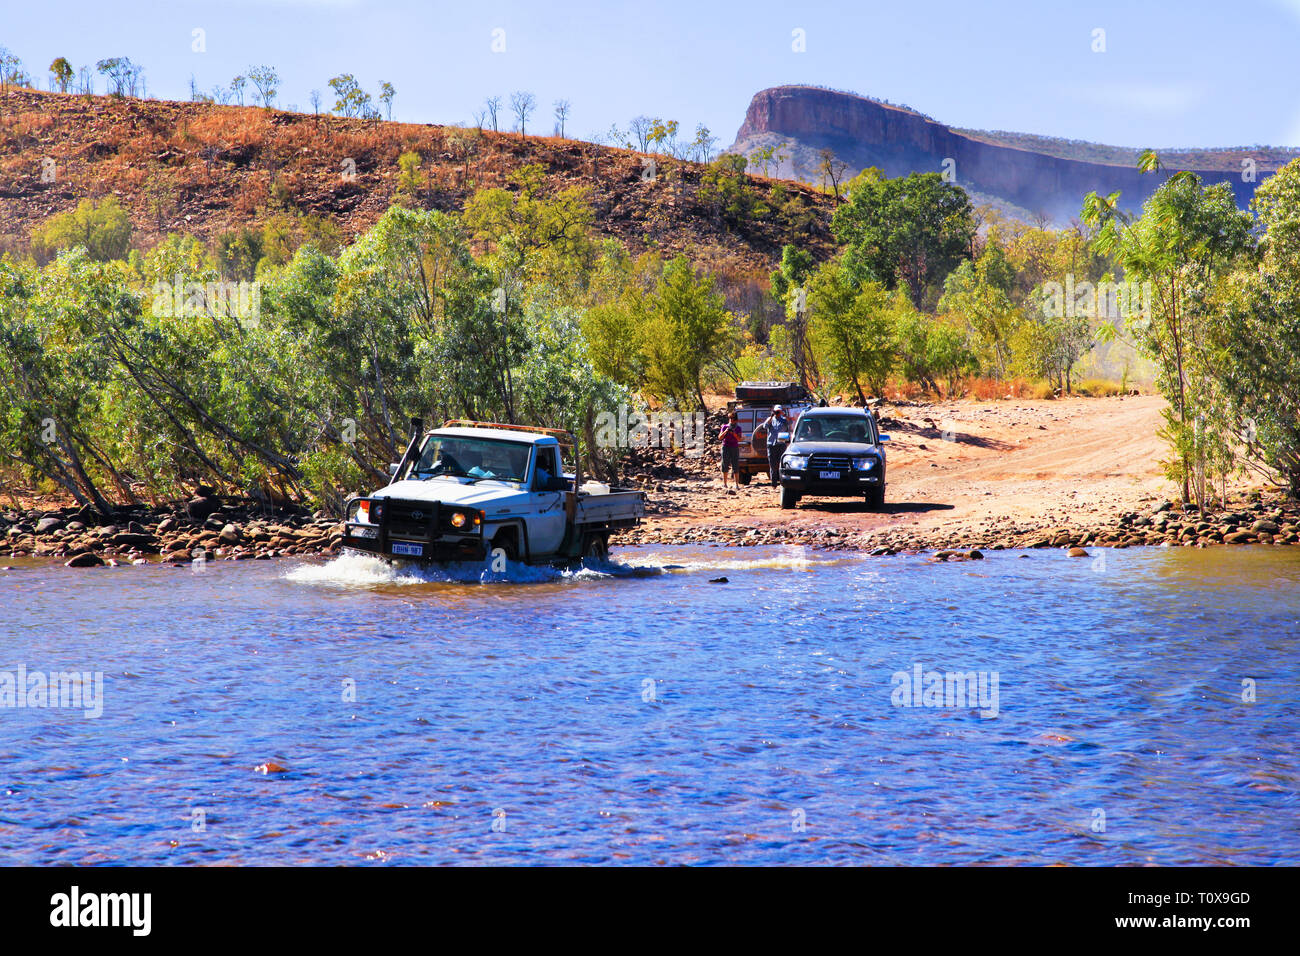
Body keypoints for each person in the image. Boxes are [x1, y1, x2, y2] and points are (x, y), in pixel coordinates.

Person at [758, 405, 791, 487]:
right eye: (776, 411)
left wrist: (784, 415)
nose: (777, 413)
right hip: (771, 444)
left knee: (781, 463)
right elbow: (764, 426)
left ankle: (782, 481)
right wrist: (771, 416)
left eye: (778, 411)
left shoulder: (784, 420)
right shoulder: (770, 420)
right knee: (772, 464)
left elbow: (790, 423)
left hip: (781, 443)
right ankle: (774, 483)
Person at [719, 411, 742, 489]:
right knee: (725, 464)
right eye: (730, 419)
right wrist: (726, 431)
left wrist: (733, 433)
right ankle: (724, 483)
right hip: (726, 446)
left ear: (736, 420)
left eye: (733, 419)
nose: (731, 420)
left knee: (735, 465)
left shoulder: (738, 428)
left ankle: (736, 484)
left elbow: (739, 439)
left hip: (734, 447)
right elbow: (720, 437)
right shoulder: (725, 427)